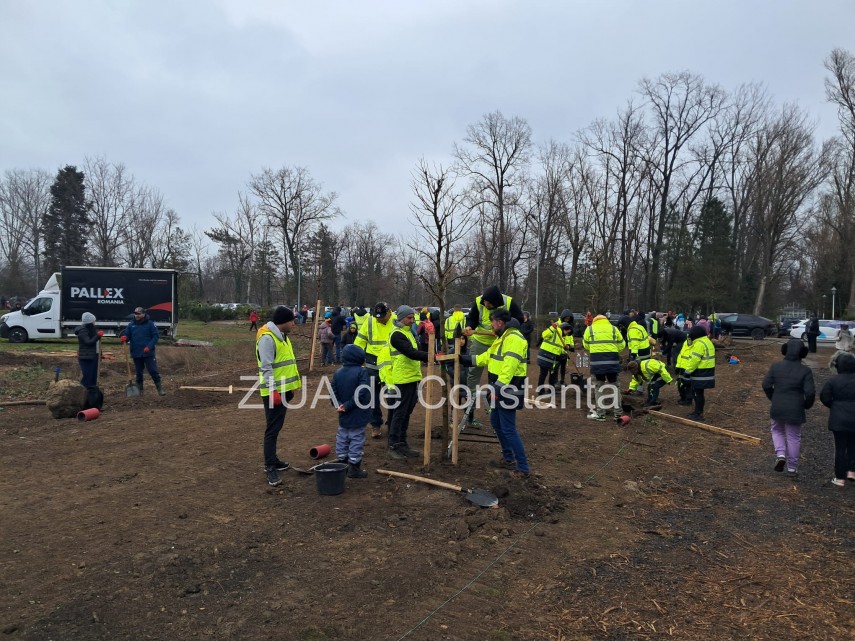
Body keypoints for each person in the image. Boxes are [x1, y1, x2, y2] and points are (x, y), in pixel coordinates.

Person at [459, 309, 531, 478]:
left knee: (508, 428)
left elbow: (509, 367)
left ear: (500, 322)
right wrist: (464, 359)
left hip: (508, 388)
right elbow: (486, 357)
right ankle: (508, 458)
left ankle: (523, 467)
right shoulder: (502, 338)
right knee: (496, 422)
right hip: (499, 387)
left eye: (492, 322)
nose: (491, 325)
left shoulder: (513, 339)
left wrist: (498, 389)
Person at [463, 286, 525, 428]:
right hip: (480, 342)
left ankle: (494, 405)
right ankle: (470, 408)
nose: (485, 305)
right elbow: (472, 318)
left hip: (501, 342)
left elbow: (519, 319)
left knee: (498, 374)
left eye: (489, 304)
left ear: (496, 302)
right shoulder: (479, 301)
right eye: (485, 302)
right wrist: (469, 326)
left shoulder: (509, 302)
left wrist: (504, 328)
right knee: (473, 373)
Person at [256, 306, 301, 486]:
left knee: (276, 427)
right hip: (273, 392)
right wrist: (274, 390)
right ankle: (270, 467)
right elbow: (266, 368)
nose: (293, 323)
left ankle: (274, 460)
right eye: (291, 320)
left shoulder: (282, 336)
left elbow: (286, 364)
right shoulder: (267, 339)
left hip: (284, 390)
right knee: (272, 429)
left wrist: (291, 387)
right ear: (283, 321)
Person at [762, 339, 815, 475]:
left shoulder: (776, 366)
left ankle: (780, 454)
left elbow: (766, 384)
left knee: (777, 430)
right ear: (803, 353)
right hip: (796, 408)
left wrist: (773, 397)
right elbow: (810, 392)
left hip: (778, 406)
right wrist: (806, 405)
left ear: (785, 350)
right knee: (793, 437)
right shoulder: (805, 371)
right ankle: (792, 467)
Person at [385, 306, 431, 460]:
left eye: (413, 318)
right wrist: (432, 356)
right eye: (409, 318)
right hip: (402, 379)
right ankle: (393, 444)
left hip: (413, 377)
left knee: (407, 412)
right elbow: (411, 353)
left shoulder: (408, 332)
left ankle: (402, 442)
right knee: (399, 412)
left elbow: (415, 351)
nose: (412, 321)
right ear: (401, 318)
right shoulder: (396, 335)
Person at [330, 344, 372, 478]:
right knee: (356, 438)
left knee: (342, 436)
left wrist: (339, 405)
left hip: (343, 412)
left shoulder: (338, 372)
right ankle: (354, 466)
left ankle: (342, 462)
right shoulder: (362, 372)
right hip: (358, 412)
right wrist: (348, 405)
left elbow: (332, 391)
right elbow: (363, 391)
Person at [354, 302, 395, 438]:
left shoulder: (395, 320)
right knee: (371, 396)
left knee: (392, 395)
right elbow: (359, 342)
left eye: (382, 316)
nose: (380, 319)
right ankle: (375, 424)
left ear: (389, 312)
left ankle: (393, 422)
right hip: (372, 362)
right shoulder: (370, 321)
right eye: (377, 317)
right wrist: (355, 360)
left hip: (390, 363)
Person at [820, 353, 855, 487]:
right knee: (853, 445)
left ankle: (840, 477)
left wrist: (834, 406)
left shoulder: (833, 381)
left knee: (840, 448)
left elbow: (825, 397)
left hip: (839, 419)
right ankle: (852, 471)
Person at [582, 314, 626, 421]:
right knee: (615, 387)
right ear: (606, 320)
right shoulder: (614, 329)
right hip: (612, 362)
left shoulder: (590, 329)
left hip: (597, 363)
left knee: (598, 387)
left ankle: (601, 414)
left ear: (595, 321)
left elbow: (586, 345)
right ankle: (618, 414)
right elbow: (622, 345)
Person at [121, 306, 165, 396]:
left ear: (143, 314)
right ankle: (140, 390)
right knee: (139, 372)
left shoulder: (150, 324)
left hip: (148, 352)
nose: (136, 315)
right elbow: (127, 336)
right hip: (136, 352)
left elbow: (155, 337)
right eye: (135, 313)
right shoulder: (131, 325)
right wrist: (124, 338)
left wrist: (149, 346)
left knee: (153, 370)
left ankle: (160, 389)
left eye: (138, 314)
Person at [683, 325, 716, 421]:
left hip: (700, 372)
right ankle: (697, 411)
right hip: (708, 371)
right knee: (698, 393)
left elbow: (694, 360)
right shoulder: (707, 341)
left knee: (698, 393)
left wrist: (687, 372)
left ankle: (699, 413)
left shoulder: (699, 344)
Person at [536, 320, 572, 393]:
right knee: (543, 373)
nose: (567, 334)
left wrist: (565, 350)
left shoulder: (562, 336)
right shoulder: (554, 331)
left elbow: (558, 347)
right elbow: (544, 335)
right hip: (545, 356)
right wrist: (552, 328)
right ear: (564, 328)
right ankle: (540, 391)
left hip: (553, 359)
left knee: (553, 374)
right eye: (567, 332)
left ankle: (551, 390)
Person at [75, 312, 103, 389]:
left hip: (93, 356)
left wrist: (100, 354)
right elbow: (89, 342)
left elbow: (96, 344)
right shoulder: (82, 331)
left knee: (93, 376)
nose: (95, 322)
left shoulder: (91, 329)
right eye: (94, 320)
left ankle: (92, 394)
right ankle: (83, 392)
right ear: (90, 321)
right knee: (88, 376)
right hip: (86, 357)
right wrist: (98, 336)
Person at [626, 312, 651, 395]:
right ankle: (644, 388)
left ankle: (638, 390)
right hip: (646, 351)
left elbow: (634, 343)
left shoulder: (632, 330)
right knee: (643, 370)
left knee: (636, 370)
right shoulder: (639, 327)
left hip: (639, 353)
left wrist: (633, 354)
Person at [556, 310, 575, 385]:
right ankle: (555, 381)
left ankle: (562, 380)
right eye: (566, 318)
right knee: (556, 368)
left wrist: (571, 346)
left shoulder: (569, 326)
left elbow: (570, 338)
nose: (567, 320)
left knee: (563, 368)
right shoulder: (557, 325)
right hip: (557, 350)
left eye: (569, 318)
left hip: (565, 350)